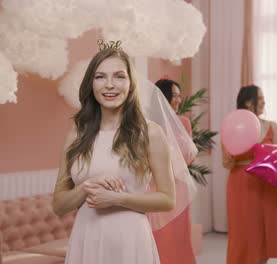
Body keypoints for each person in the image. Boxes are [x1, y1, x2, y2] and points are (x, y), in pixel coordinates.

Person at [52, 45, 182, 264]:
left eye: (119, 76)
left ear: (131, 84)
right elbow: (59, 205)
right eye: (100, 77)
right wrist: (87, 185)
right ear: (91, 84)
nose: (110, 85)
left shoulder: (150, 132)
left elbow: (168, 200)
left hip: (130, 240)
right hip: (87, 238)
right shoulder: (77, 132)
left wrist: (118, 199)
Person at [222, 85, 277, 264]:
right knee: (243, 233)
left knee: (266, 233)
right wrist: (231, 156)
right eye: (259, 98)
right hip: (241, 185)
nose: (264, 102)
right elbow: (226, 163)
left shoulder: (272, 127)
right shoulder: (233, 126)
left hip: (267, 184)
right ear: (247, 101)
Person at [153, 78, 196, 264]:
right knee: (160, 236)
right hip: (155, 187)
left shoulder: (184, 123)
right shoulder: (149, 125)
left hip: (179, 187)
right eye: (174, 96)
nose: (178, 100)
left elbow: (190, 156)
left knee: (179, 235)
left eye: (179, 96)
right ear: (163, 97)